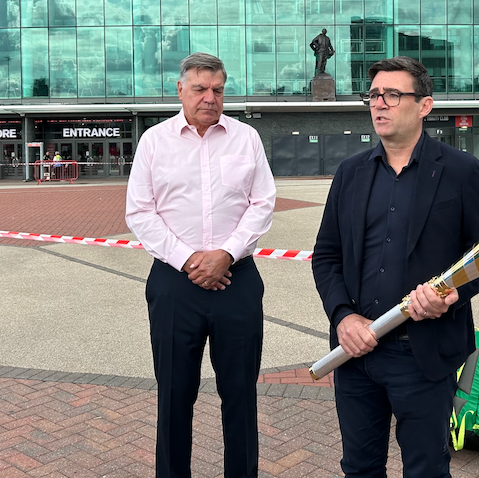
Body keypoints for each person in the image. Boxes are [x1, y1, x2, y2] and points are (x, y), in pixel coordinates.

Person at [311, 56, 479, 478]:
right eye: (374, 95)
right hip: (358, 351)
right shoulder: (350, 173)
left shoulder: (460, 171)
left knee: (426, 468)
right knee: (359, 467)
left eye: (393, 95)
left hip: (424, 354)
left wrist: (452, 296)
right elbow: (326, 256)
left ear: (424, 105)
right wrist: (342, 317)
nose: (380, 103)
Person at [125, 52, 276, 478]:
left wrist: (225, 253)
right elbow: (139, 212)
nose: (210, 98)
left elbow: (262, 203)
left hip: (238, 281)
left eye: (218, 90)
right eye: (200, 89)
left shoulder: (246, 138)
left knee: (240, 395)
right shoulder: (154, 141)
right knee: (174, 395)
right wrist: (190, 259)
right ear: (181, 90)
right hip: (175, 285)